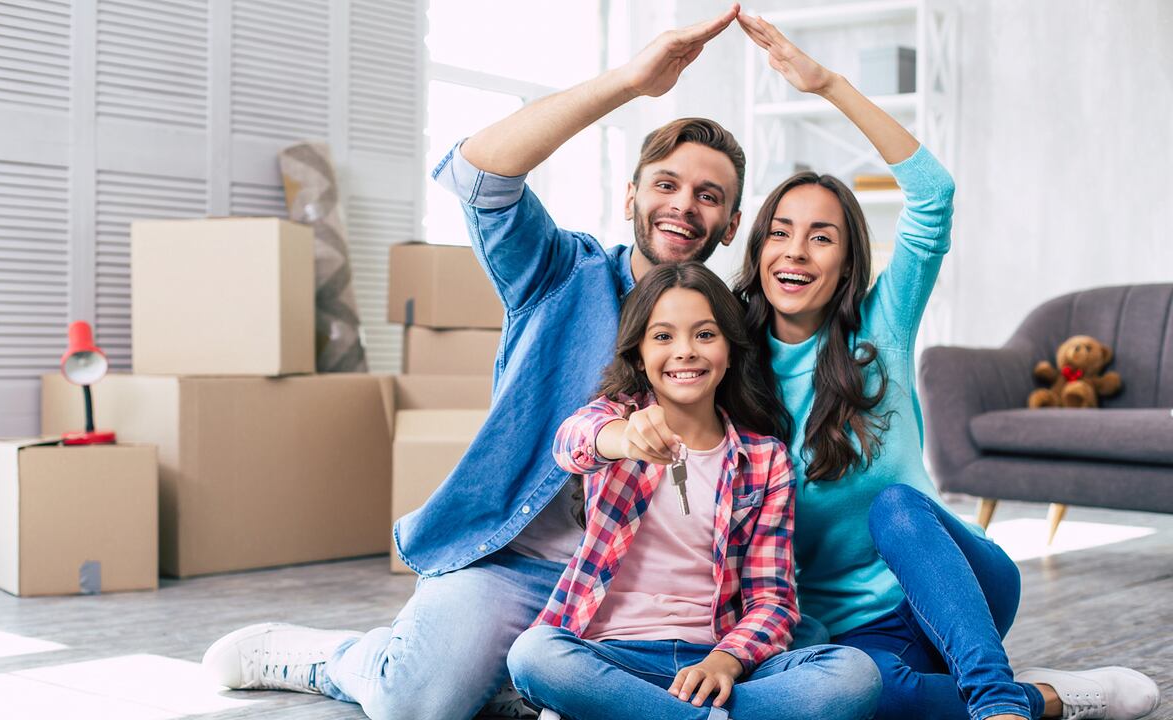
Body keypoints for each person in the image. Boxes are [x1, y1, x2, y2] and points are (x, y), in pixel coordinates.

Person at [200, 8, 776, 720]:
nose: (683, 205)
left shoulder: (738, 332)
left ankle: (510, 683)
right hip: (519, 567)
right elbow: (477, 172)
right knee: (414, 705)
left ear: (730, 223)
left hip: (644, 590)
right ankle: (340, 657)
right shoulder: (560, 272)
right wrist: (631, 82)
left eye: (707, 196)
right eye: (666, 184)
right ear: (631, 195)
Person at [731, 14, 1160, 720]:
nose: (795, 252)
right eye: (779, 233)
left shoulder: (881, 328)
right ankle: (1052, 696)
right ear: (757, 249)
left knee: (894, 508)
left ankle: (997, 705)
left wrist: (828, 85)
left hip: (958, 587)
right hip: (844, 634)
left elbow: (933, 196)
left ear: (846, 263)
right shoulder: (733, 362)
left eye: (820, 237)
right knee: (862, 698)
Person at [506, 262, 881, 720]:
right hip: (611, 660)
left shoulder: (765, 460)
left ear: (729, 349)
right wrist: (622, 437)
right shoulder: (613, 423)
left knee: (853, 673)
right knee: (533, 654)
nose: (685, 351)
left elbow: (772, 600)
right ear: (639, 353)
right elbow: (571, 442)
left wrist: (725, 660)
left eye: (705, 334)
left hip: (713, 664)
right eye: (663, 337)